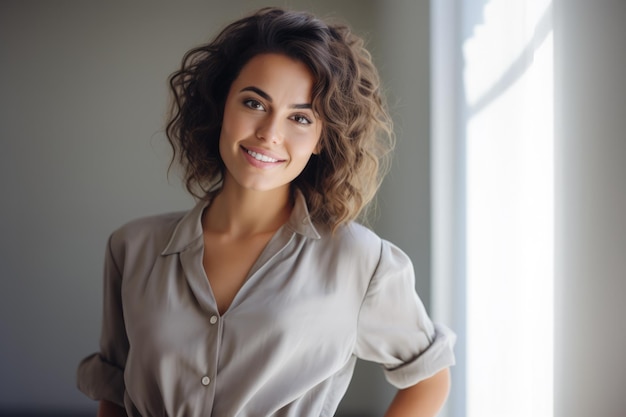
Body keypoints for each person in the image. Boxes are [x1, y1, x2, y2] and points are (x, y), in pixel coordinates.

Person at [77, 7, 455, 417]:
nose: (270, 133)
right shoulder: (133, 249)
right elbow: (113, 391)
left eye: (299, 117)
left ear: (320, 140)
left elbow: (429, 377)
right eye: (255, 103)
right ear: (222, 105)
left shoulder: (360, 260)